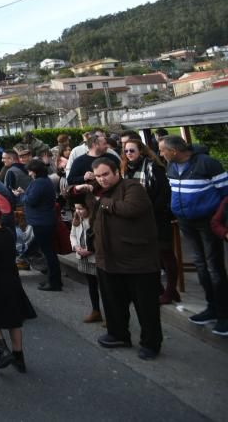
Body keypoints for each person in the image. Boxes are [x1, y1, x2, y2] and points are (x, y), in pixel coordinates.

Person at [73, 158, 162, 360]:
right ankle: (118, 334)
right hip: (107, 259)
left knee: (145, 306)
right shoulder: (95, 191)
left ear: (116, 172)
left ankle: (151, 343)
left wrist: (101, 202)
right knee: (113, 302)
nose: (102, 179)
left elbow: (131, 209)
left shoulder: (132, 187)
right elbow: (75, 201)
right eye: (98, 176)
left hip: (137, 260)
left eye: (106, 174)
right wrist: (79, 189)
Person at [160, 135, 228, 336]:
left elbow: (226, 194)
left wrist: (219, 220)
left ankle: (224, 314)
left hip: (207, 222)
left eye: (163, 150)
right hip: (185, 221)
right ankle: (211, 308)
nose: (161, 154)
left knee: (214, 267)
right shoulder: (171, 167)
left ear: (174, 151)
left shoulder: (207, 163)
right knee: (200, 265)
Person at [0, 200, 35, 373]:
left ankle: (2, 347)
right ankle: (19, 357)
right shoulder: (9, 233)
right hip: (11, 279)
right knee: (13, 319)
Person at [122, 138, 178, 304]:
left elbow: (163, 193)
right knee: (151, 256)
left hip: (156, 217)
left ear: (141, 150)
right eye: (126, 151)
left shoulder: (153, 166)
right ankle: (159, 288)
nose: (129, 154)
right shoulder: (125, 169)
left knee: (165, 254)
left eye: (132, 150)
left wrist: (149, 211)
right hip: (137, 219)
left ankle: (171, 289)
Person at [19, 159, 62, 291]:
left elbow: (31, 200)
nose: (29, 173)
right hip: (44, 220)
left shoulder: (39, 183)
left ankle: (54, 282)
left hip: (41, 222)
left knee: (48, 253)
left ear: (35, 171)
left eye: (30, 170)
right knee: (48, 252)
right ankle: (53, 279)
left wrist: (22, 195)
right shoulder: (44, 181)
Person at [70, 202, 102, 323]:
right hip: (83, 257)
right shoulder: (77, 218)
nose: (78, 211)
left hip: (95, 258)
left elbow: (100, 238)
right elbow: (72, 235)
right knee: (91, 285)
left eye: (81, 208)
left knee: (104, 288)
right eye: (76, 208)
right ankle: (96, 310)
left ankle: (111, 315)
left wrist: (90, 251)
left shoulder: (94, 220)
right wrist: (76, 247)